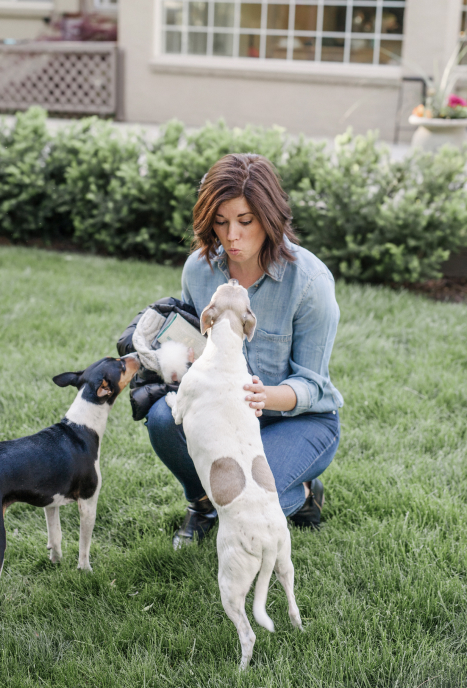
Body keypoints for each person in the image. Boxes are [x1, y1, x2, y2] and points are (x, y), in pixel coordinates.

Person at [145, 153, 343, 548]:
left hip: (296, 421)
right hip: (224, 415)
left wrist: (263, 396)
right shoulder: (198, 270)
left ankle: (303, 494)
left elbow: (314, 387)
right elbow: (199, 349)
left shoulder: (310, 282)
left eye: (245, 221)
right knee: (162, 419)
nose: (231, 235)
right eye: (220, 222)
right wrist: (181, 361)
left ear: (268, 218)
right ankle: (201, 502)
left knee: (251, 502)